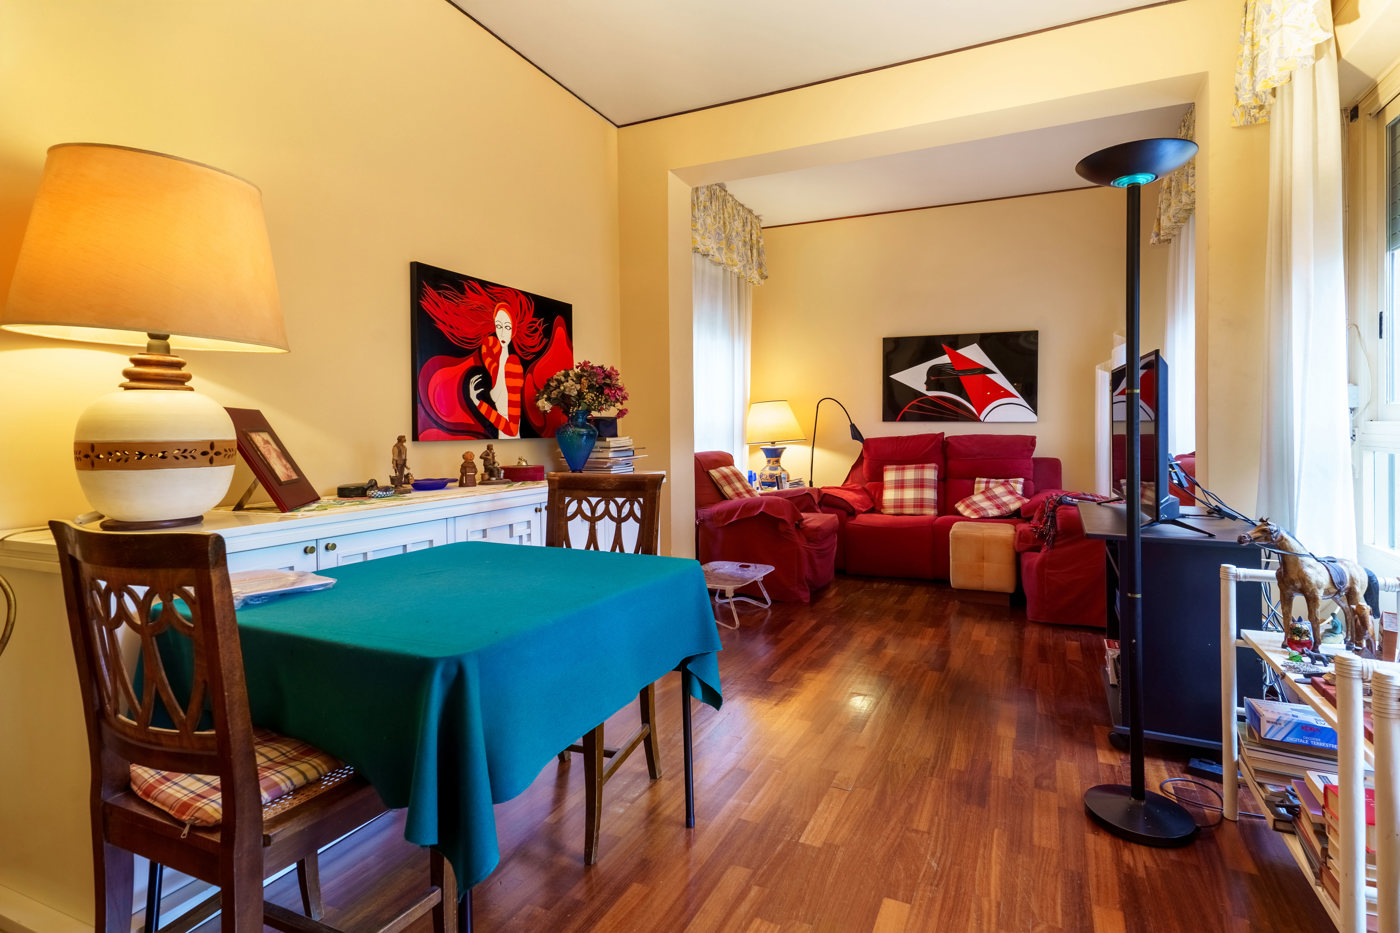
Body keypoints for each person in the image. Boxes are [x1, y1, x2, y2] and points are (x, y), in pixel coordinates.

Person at [417, 279, 548, 439]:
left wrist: (478, 403)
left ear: (513, 329)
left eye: (507, 327)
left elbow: (512, 429)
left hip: (511, 438)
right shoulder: (496, 362)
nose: (502, 332)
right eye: (499, 326)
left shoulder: (513, 365)